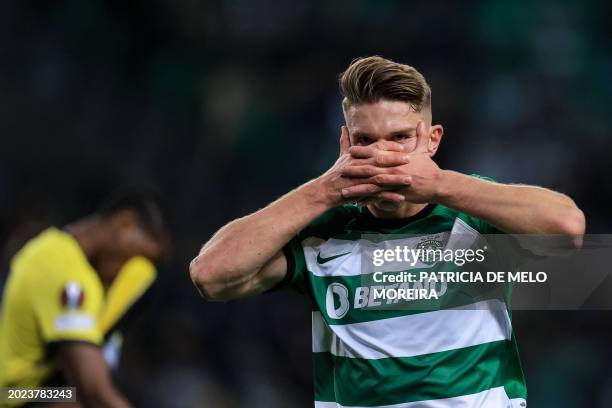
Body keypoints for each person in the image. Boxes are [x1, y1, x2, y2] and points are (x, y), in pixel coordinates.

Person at [189, 56, 585, 407]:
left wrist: (441, 185)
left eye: (400, 138)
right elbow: (211, 275)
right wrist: (325, 190)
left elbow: (568, 229)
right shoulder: (325, 230)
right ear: (345, 144)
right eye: (365, 141)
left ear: (432, 140)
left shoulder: (476, 213)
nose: (383, 156)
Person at [0, 188, 169, 407]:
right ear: (125, 223)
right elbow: (94, 389)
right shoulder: (62, 268)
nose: (136, 271)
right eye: (141, 257)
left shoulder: (75, 266)